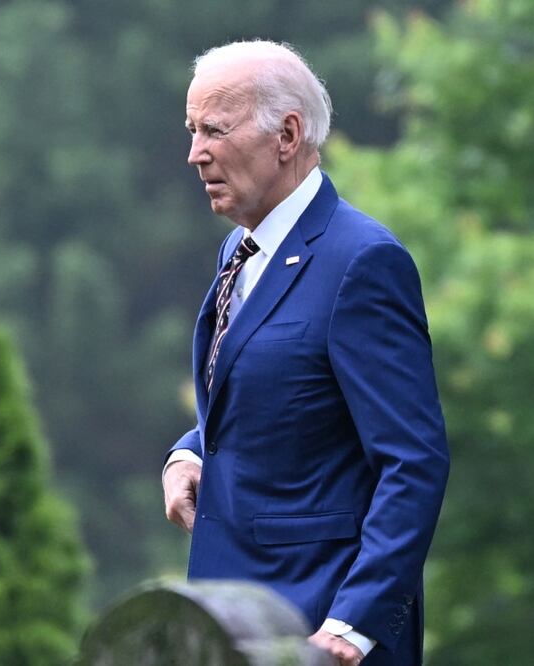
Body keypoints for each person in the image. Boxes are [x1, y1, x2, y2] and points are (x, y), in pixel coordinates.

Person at [163, 40, 449, 666]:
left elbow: (414, 461)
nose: (195, 153)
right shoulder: (239, 252)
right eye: (192, 130)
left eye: (214, 130)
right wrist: (190, 452)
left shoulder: (363, 261)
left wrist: (353, 625)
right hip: (232, 624)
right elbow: (280, 397)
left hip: (323, 631)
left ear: (287, 135)